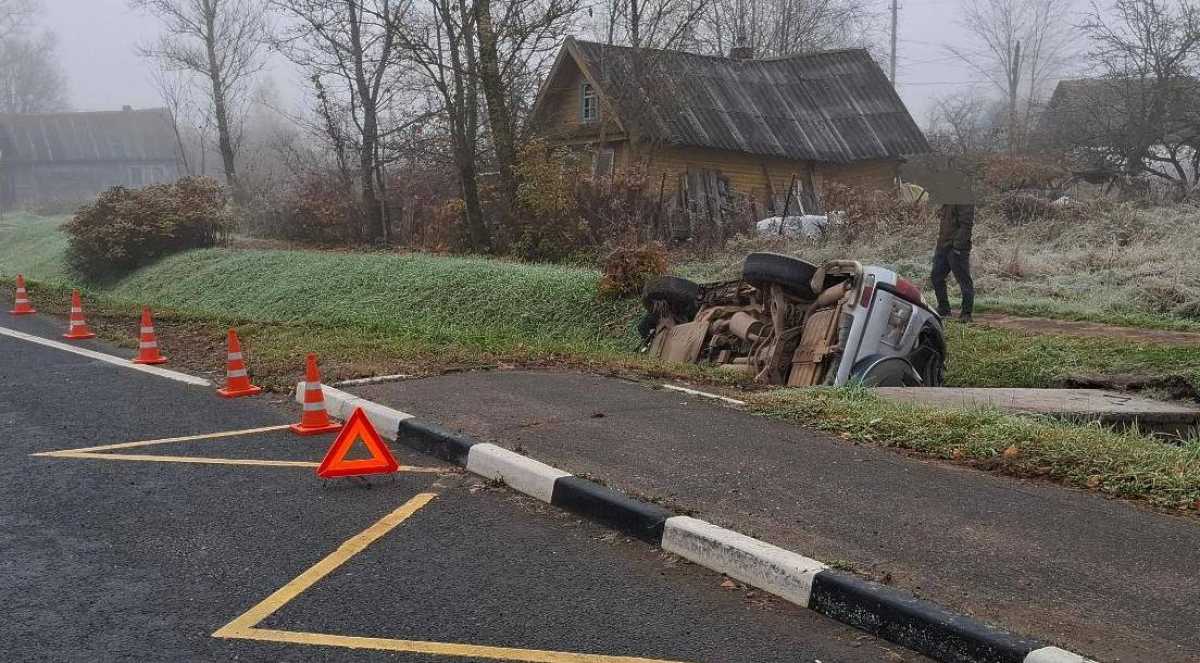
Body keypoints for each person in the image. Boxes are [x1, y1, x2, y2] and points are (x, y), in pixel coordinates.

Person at [931, 203, 975, 322]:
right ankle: (944, 309)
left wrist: (957, 246)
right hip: (943, 245)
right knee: (936, 276)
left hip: (956, 248)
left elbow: (966, 225)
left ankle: (966, 313)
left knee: (964, 280)